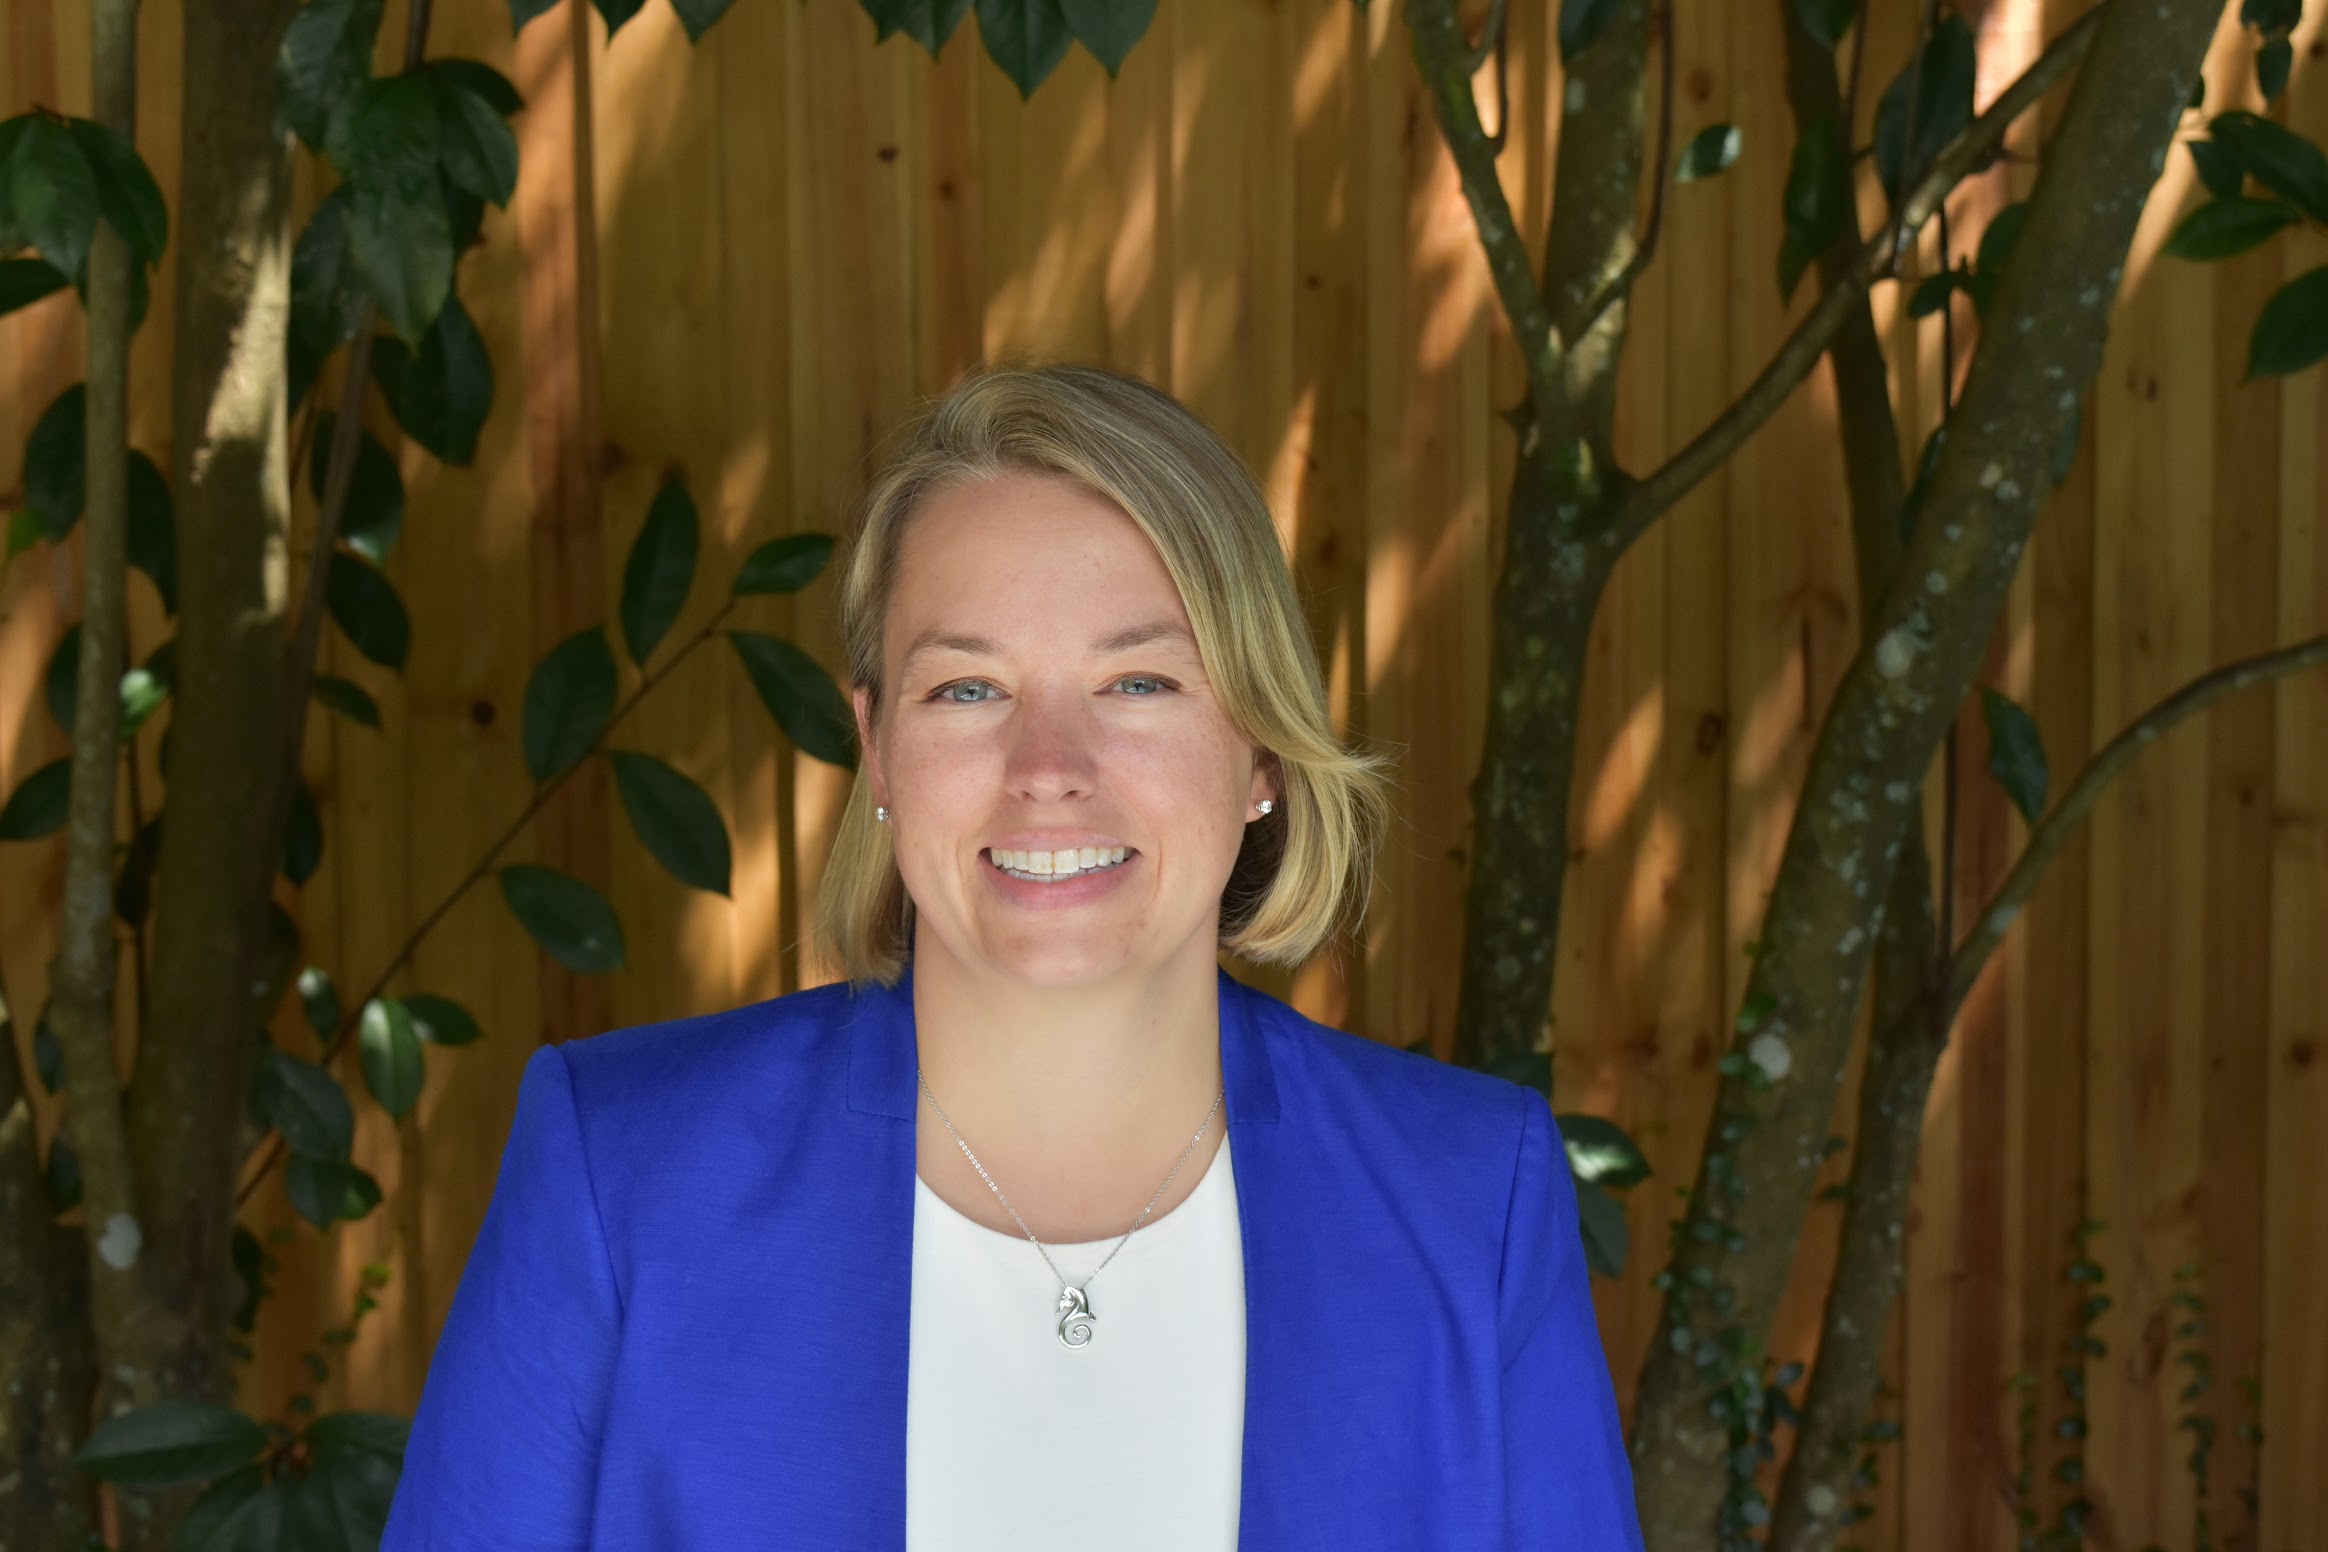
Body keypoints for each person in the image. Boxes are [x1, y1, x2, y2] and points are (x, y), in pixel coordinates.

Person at [381, 361, 1644, 1550]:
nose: (1050, 770)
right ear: (877, 750)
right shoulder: (622, 1174)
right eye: (968, 689)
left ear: (1261, 747)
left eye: (1139, 683)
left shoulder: (1473, 1198)